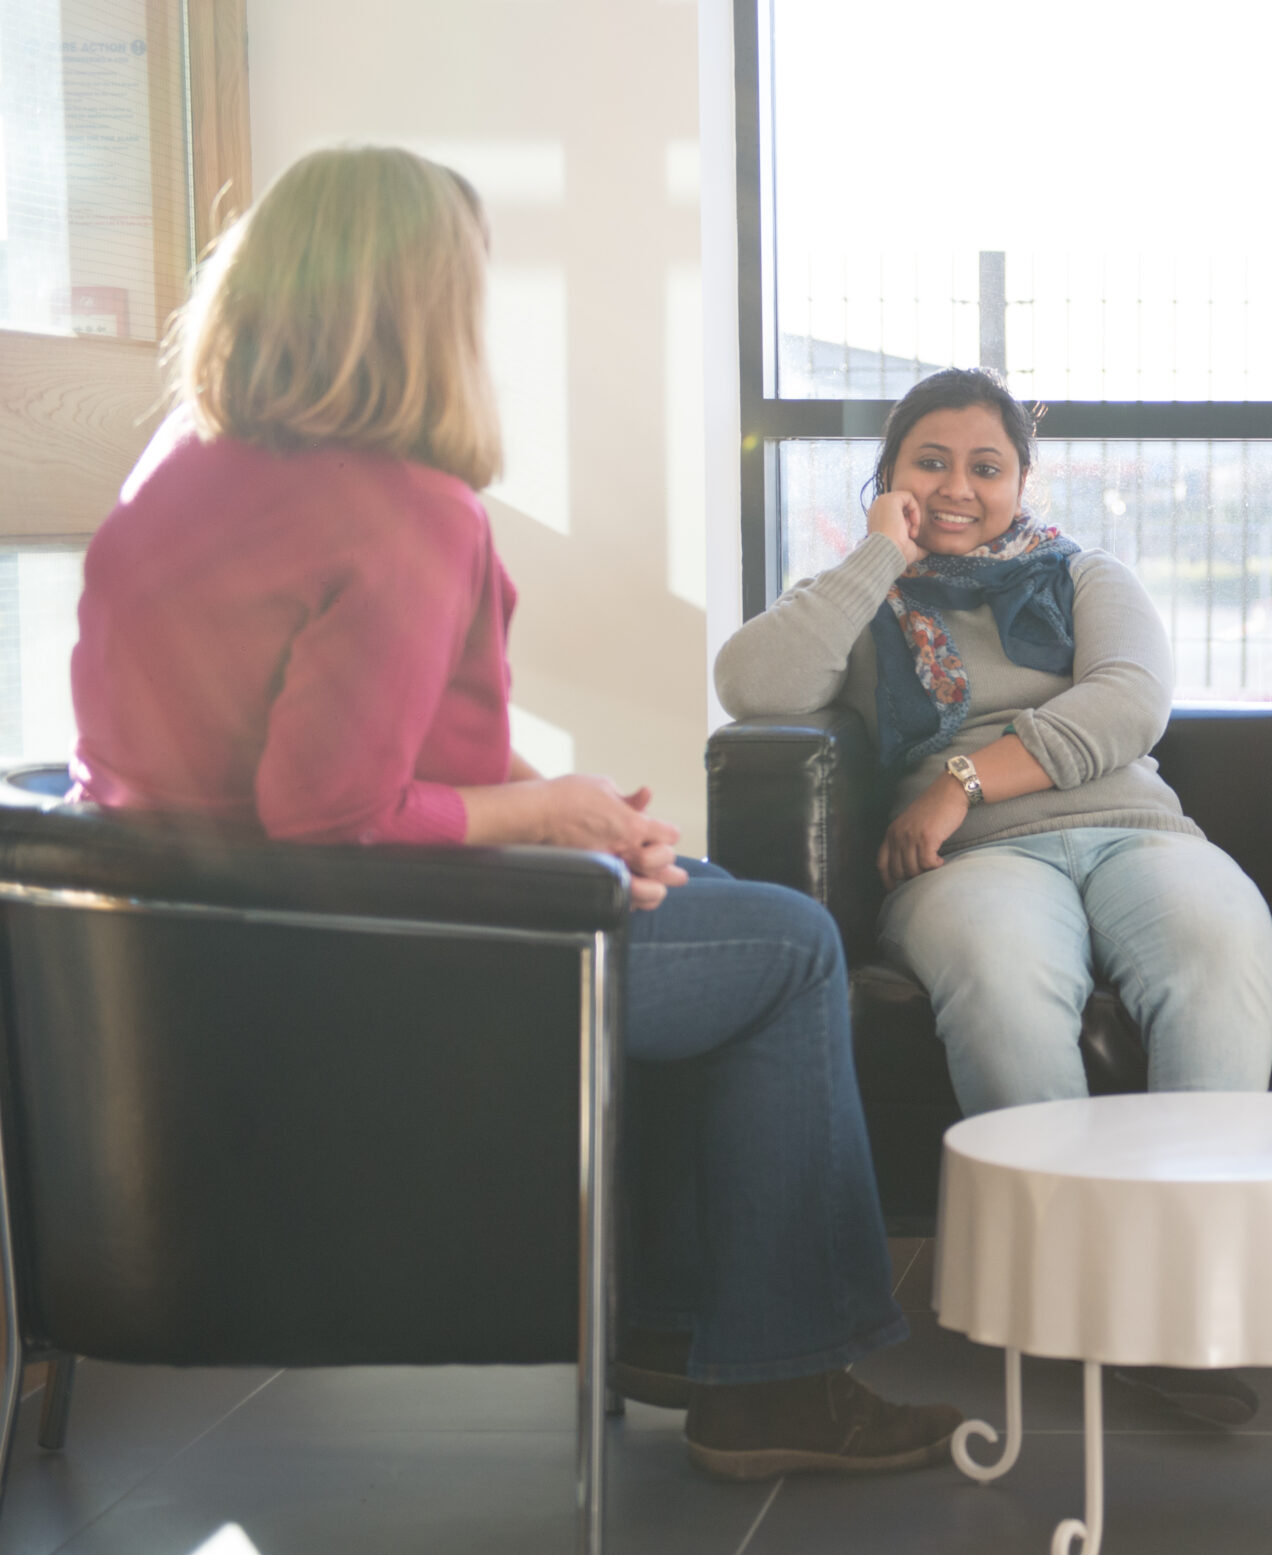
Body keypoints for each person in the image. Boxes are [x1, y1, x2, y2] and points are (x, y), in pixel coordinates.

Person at [69, 145, 958, 1480]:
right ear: (429, 304)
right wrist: (550, 811)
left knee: (704, 889)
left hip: (187, 967)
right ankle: (774, 1380)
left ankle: (679, 1328)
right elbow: (323, 814)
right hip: (373, 970)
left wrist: (574, 824)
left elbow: (275, 788)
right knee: (788, 946)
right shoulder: (401, 507)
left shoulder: (173, 474)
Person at [715, 367, 1272, 1424]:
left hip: (1127, 827)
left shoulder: (1082, 573)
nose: (959, 486)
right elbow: (753, 684)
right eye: (929, 461)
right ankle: (1073, 1291)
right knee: (999, 977)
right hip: (975, 865)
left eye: (987, 465)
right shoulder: (854, 596)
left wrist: (958, 780)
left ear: (1023, 480)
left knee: (1222, 947)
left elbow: (1130, 703)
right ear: (887, 476)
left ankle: (1186, 1290)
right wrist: (879, 556)